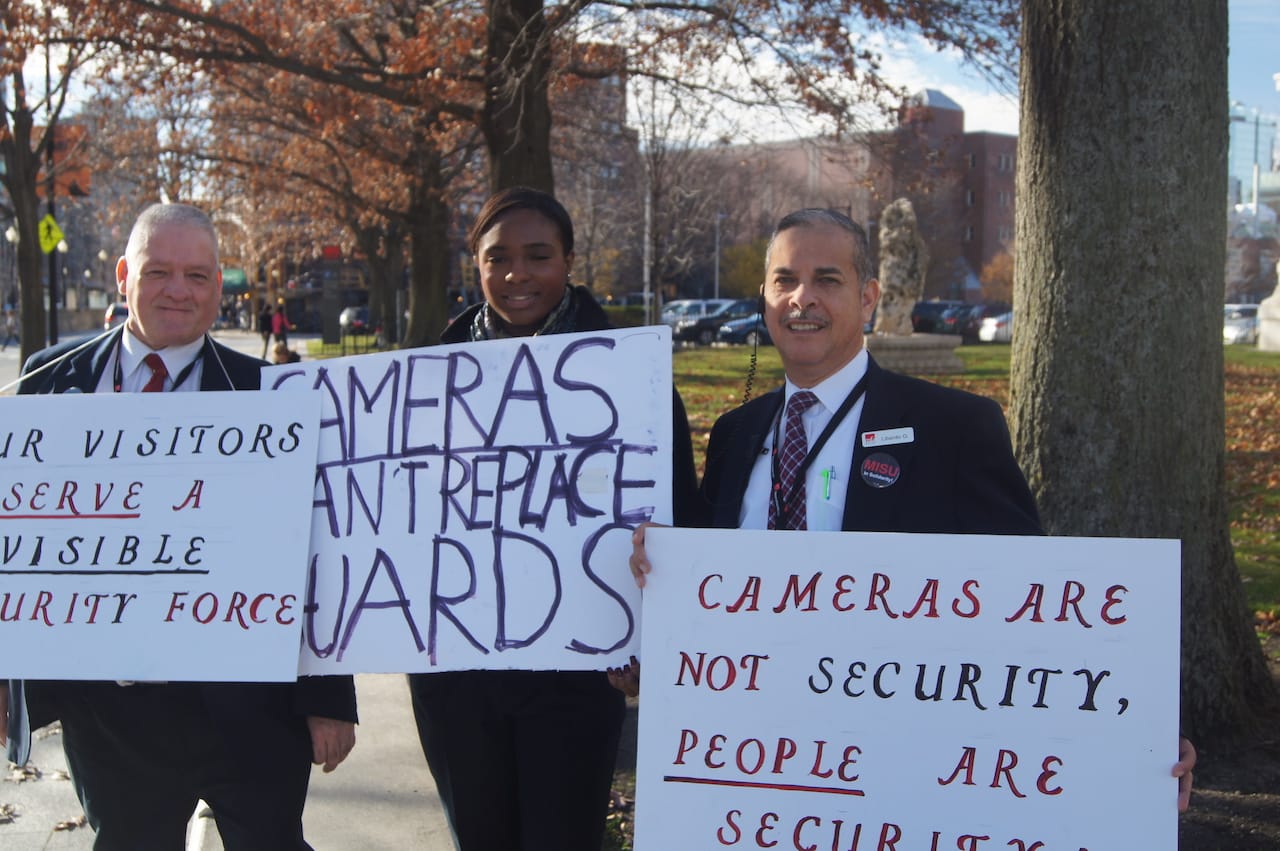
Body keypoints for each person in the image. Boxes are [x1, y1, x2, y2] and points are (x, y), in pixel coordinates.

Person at [624, 207, 1196, 810]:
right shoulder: (738, 432)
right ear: (763, 297)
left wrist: (1136, 728)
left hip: (890, 771)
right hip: (749, 761)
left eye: (828, 280)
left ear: (869, 298)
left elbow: (1033, 603)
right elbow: (709, 592)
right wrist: (656, 619)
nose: (802, 299)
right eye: (785, 280)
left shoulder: (952, 428)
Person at [0, 202, 358, 849]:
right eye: (159, 270)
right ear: (122, 275)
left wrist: (329, 694)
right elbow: (19, 539)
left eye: (197, 275)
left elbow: (317, 547)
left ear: (220, 285)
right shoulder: (49, 383)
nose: (177, 289)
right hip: (112, 713)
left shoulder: (271, 392)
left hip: (252, 704)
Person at [406, 186, 699, 851]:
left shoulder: (638, 383)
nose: (516, 275)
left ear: (569, 259)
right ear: (473, 265)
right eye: (498, 257)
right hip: (457, 674)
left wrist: (653, 639)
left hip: (580, 671)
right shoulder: (424, 381)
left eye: (538, 255)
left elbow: (682, 525)